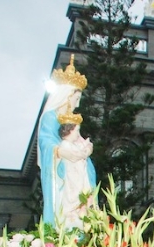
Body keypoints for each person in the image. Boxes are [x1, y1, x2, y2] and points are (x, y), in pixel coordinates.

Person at [38, 55, 96, 229]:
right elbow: (45, 141)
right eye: (76, 99)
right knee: (65, 209)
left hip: (76, 169)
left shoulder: (71, 120)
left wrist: (87, 149)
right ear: (67, 95)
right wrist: (59, 151)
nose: (77, 104)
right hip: (61, 169)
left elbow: (79, 140)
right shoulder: (50, 117)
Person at [54, 119, 97, 230]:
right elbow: (78, 155)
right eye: (76, 131)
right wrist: (87, 149)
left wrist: (86, 149)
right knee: (73, 200)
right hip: (72, 180)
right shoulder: (65, 145)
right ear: (69, 131)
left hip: (80, 178)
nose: (78, 135)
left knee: (84, 201)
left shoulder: (72, 145)